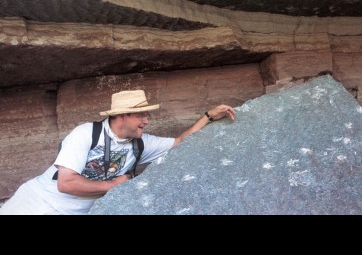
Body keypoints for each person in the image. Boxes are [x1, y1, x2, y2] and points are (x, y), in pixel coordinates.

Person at [0, 90, 235, 215]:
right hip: (34, 202)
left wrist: (208, 117)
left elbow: (180, 143)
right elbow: (66, 183)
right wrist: (115, 185)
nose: (146, 120)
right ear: (121, 115)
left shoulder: (141, 144)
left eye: (147, 115)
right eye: (141, 115)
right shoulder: (86, 133)